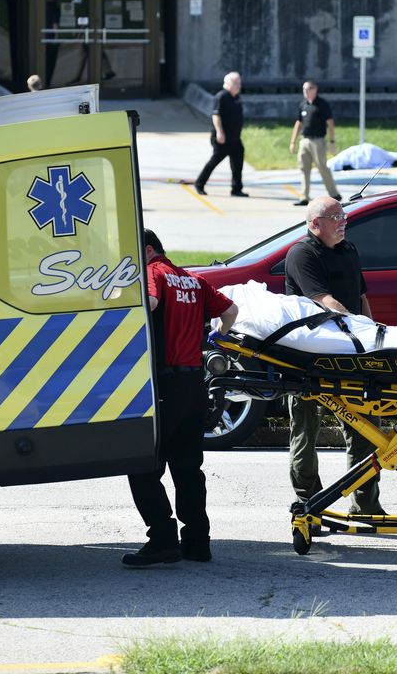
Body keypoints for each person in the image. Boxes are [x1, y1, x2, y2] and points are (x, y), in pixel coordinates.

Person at [124, 229, 238, 567]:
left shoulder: (153, 273)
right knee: (188, 468)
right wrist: (217, 337)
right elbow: (230, 312)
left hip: (164, 386)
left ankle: (162, 539)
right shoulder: (193, 279)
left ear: (147, 251)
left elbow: (152, 303)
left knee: (143, 465)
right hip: (193, 386)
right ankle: (197, 542)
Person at [283, 197, 384, 517]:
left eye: (344, 216)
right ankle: (310, 500)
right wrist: (356, 329)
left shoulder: (349, 250)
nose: (343, 222)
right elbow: (324, 300)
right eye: (335, 217)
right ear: (315, 224)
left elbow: (360, 296)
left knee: (366, 427)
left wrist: (371, 334)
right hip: (307, 358)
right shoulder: (302, 254)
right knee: (305, 428)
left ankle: (365, 504)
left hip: (349, 354)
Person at [194, 72, 248, 197]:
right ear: (228, 83)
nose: (238, 85)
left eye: (239, 82)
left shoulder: (237, 97)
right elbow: (216, 115)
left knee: (237, 164)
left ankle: (236, 189)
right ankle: (199, 184)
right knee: (214, 161)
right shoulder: (221, 96)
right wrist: (219, 132)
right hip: (222, 138)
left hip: (235, 138)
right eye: (236, 83)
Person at [289, 81, 342, 206]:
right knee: (304, 168)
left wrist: (332, 141)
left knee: (322, 167)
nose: (305, 91)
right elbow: (298, 123)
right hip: (305, 140)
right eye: (303, 89)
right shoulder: (303, 104)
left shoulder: (322, 104)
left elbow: (330, 123)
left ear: (315, 89)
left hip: (318, 141)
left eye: (308, 89)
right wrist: (293, 141)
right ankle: (304, 196)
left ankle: (334, 194)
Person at [43, 0, 61, 86]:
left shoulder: (42, 5)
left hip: (43, 37)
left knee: (44, 62)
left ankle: (42, 83)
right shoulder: (55, 7)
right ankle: (47, 83)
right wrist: (57, 38)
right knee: (50, 63)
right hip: (51, 38)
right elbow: (55, 24)